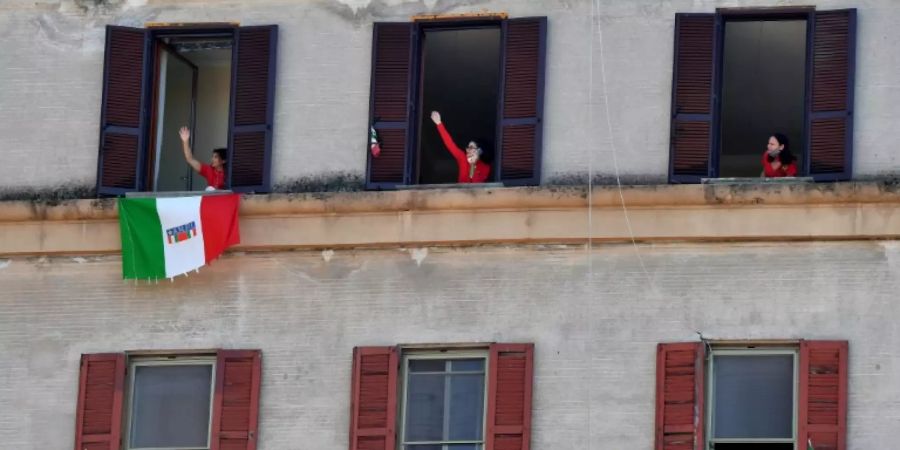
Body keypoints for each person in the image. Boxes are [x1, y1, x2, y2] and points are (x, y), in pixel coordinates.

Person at [430, 111, 491, 183]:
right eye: (468, 147)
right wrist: (439, 124)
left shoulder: (485, 167)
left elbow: (475, 184)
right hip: (459, 193)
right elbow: (450, 144)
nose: (468, 150)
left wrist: (472, 165)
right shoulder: (463, 158)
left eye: (471, 147)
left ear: (479, 151)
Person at [179, 126, 226, 190]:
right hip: (211, 198)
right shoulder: (208, 169)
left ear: (223, 160)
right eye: (212, 156)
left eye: (216, 157)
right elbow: (190, 159)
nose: (212, 159)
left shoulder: (229, 173)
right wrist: (185, 141)